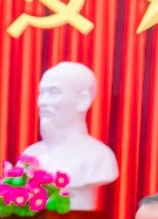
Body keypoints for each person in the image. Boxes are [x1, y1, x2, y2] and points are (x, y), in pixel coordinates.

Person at [22, 61, 119, 211]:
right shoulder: (31, 154)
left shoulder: (98, 156)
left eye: (54, 92)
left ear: (82, 100)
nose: (43, 102)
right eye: (42, 92)